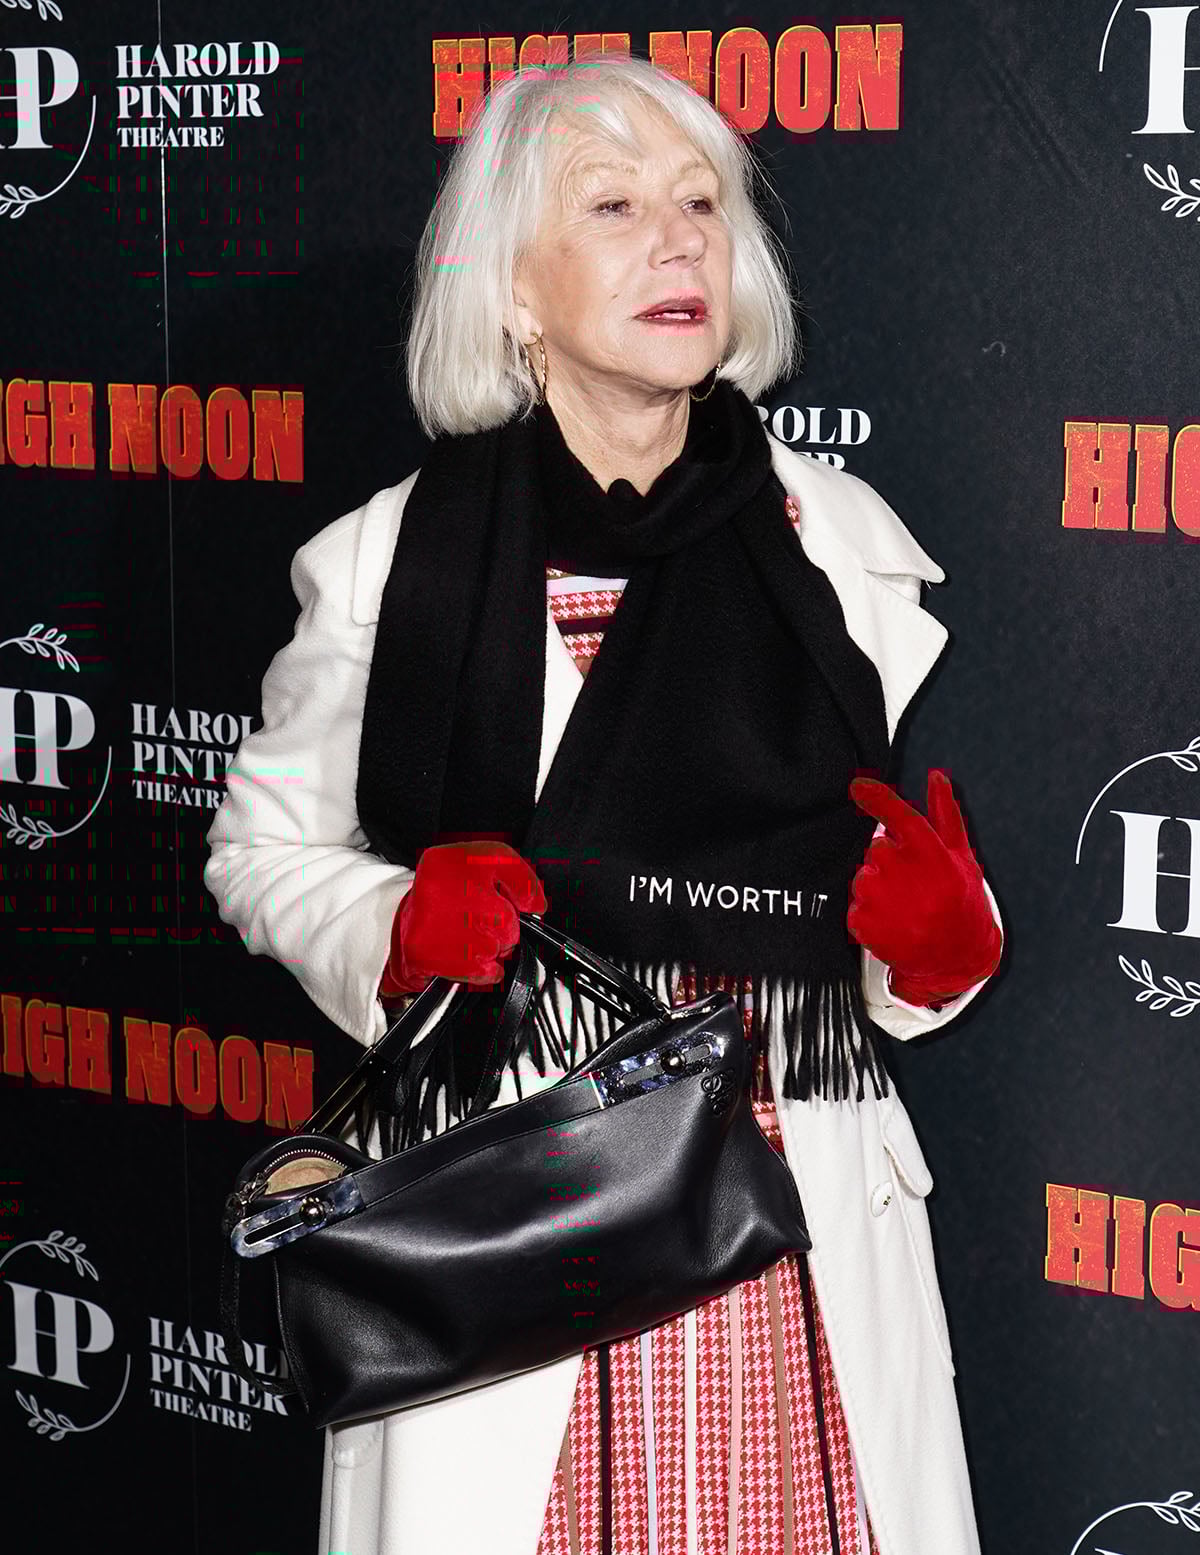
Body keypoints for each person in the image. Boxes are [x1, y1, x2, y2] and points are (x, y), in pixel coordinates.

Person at [205, 51, 1003, 1555]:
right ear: (514, 284)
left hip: (792, 1221)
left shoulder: (841, 551)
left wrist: (942, 949)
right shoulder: (388, 566)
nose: (681, 237)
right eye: (617, 204)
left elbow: (876, 909)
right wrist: (392, 922)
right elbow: (258, 847)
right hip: (525, 1218)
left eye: (702, 202)